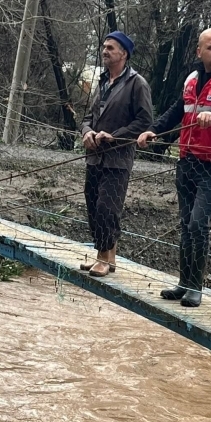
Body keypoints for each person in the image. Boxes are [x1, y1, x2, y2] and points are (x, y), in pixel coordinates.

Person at [137, 28, 211, 307]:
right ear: (199, 52)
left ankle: (196, 287)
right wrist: (154, 130)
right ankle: (184, 282)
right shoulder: (191, 79)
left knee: (199, 223)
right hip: (187, 158)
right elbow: (177, 110)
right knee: (186, 224)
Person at [80, 31, 153, 277]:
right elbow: (88, 117)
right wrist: (87, 132)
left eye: (110, 48)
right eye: (104, 46)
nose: (105, 51)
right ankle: (108, 256)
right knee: (92, 204)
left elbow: (144, 120)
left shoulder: (137, 83)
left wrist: (115, 136)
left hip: (118, 159)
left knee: (107, 207)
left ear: (124, 54)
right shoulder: (102, 81)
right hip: (95, 156)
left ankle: (102, 258)